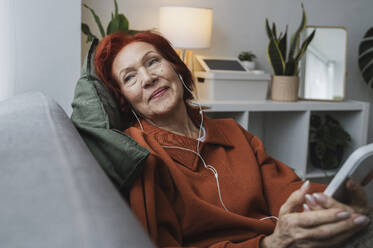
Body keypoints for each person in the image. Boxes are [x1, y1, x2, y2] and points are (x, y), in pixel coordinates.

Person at [93, 30, 372, 248]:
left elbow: (290, 190)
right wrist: (269, 243)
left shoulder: (231, 131)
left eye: (153, 61)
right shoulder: (139, 153)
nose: (148, 78)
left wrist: (337, 204)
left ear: (176, 67)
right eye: (130, 77)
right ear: (125, 101)